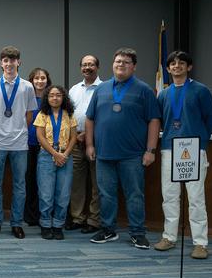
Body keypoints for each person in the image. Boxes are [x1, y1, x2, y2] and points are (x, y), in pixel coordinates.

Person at [86, 47, 160, 249]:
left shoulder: (144, 90)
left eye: (126, 62)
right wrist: (90, 145)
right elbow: (90, 119)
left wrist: (151, 150)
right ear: (113, 64)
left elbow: (154, 120)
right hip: (104, 154)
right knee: (105, 194)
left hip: (133, 155)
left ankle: (137, 233)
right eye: (118, 61)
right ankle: (108, 230)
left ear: (134, 67)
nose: (121, 65)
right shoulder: (101, 89)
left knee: (134, 195)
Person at [154, 51, 212, 259]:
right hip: (168, 147)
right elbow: (159, 121)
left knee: (196, 197)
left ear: (188, 67)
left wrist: (201, 140)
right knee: (170, 196)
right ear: (168, 68)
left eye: (181, 63)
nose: (176, 66)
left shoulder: (200, 90)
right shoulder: (163, 94)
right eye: (172, 63)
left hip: (193, 147)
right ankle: (169, 237)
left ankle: (200, 243)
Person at [0, 46, 38, 239]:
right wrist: (0, 128)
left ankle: (16, 223)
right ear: (1, 63)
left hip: (19, 143)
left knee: (19, 185)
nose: (9, 64)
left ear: (19, 62)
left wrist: (19, 130)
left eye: (13, 60)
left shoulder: (27, 86)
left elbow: (29, 114)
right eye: (6, 60)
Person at [34, 85, 78, 240]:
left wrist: (64, 154)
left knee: (63, 194)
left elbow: (74, 137)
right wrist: (55, 154)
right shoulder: (42, 114)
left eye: (58, 95)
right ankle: (45, 225)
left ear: (63, 97)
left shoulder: (69, 114)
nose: (55, 98)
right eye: (51, 95)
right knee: (46, 194)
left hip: (66, 156)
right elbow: (40, 136)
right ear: (47, 98)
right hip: (47, 155)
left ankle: (58, 225)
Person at [67, 55, 103, 234]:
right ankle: (78, 217)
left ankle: (94, 220)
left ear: (97, 67)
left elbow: (103, 118)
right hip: (75, 142)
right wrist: (75, 136)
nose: (87, 67)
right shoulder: (74, 89)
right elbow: (68, 116)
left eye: (91, 64)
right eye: (84, 64)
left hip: (96, 141)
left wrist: (87, 135)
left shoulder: (104, 88)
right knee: (76, 182)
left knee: (97, 183)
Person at [23, 67, 51, 228]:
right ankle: (31, 216)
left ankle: (46, 214)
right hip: (28, 144)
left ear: (47, 80)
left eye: (43, 78)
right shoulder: (26, 97)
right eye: (36, 78)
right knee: (30, 181)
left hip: (48, 146)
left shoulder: (53, 97)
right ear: (31, 81)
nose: (40, 81)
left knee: (46, 182)